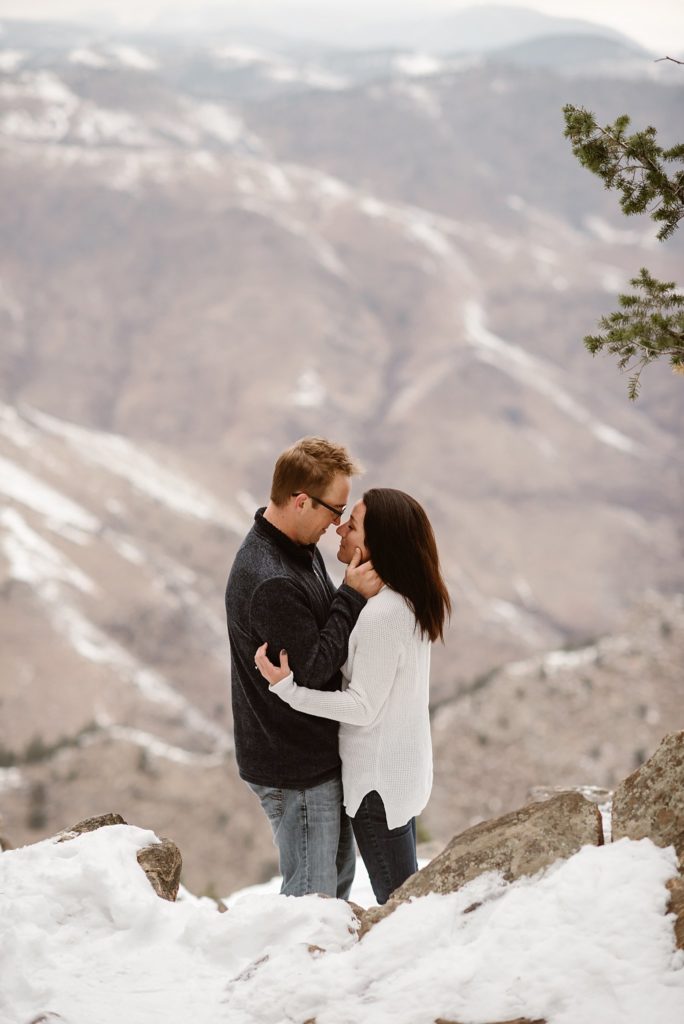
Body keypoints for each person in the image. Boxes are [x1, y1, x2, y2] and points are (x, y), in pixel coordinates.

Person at [255, 487, 451, 905]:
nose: (340, 529)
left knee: (400, 907)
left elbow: (362, 707)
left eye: (354, 525)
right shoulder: (404, 602)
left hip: (377, 787)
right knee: (408, 898)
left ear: (377, 545)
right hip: (397, 776)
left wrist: (290, 691)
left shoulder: (383, 615)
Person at [225, 436, 381, 900]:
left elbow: (320, 629)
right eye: (335, 511)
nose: (337, 524)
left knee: (335, 884)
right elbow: (313, 670)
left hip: (310, 757)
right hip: (293, 765)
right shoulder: (271, 579)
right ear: (300, 501)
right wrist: (351, 596)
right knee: (311, 901)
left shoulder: (296, 547)